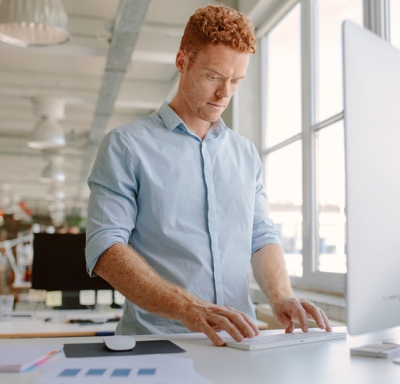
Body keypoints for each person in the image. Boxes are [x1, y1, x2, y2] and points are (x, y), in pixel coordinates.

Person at [85, 4, 331, 347]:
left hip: (238, 343)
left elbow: (260, 235)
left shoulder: (245, 154)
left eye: (236, 81)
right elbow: (106, 248)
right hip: (155, 344)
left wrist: (281, 296)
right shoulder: (126, 145)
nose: (224, 93)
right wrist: (188, 307)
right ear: (182, 61)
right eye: (213, 76)